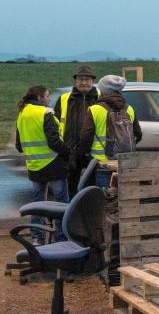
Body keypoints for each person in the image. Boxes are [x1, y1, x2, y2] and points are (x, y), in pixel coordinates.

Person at [16, 86, 70, 244]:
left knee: (37, 203)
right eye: (47, 96)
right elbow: (54, 141)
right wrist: (68, 151)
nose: (49, 99)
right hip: (53, 164)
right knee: (61, 203)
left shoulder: (22, 114)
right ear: (39, 98)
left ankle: (37, 238)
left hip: (34, 165)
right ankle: (60, 238)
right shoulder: (46, 113)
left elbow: (19, 145)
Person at [52, 64, 99, 196]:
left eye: (87, 79)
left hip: (94, 150)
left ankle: (91, 214)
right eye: (80, 79)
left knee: (93, 189)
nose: (84, 82)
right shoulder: (64, 98)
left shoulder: (100, 97)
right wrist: (63, 148)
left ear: (93, 81)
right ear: (75, 81)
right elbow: (55, 122)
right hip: (70, 150)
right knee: (71, 189)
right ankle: (73, 214)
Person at [78, 75, 142, 163]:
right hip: (124, 160)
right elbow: (138, 134)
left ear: (103, 90)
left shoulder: (95, 109)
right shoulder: (129, 109)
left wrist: (85, 153)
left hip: (101, 161)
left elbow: (86, 136)